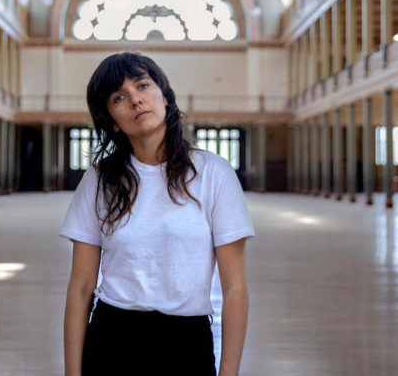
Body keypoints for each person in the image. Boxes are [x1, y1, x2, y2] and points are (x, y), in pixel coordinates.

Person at [60, 52, 255, 376]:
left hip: (186, 343)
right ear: (112, 120)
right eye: (119, 97)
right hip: (112, 339)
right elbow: (80, 288)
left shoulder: (213, 174)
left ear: (165, 95)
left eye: (143, 85)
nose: (135, 100)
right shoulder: (99, 180)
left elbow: (234, 288)